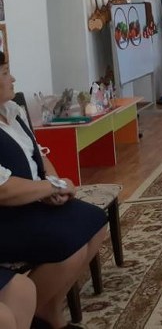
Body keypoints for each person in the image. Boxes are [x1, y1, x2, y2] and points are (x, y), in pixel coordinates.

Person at [0, 51, 107, 328]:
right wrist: (48, 187)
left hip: (34, 202)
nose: (13, 78)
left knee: (94, 222)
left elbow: (39, 154)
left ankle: (49, 309)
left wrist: (55, 183)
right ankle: (39, 315)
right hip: (8, 217)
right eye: (5, 73)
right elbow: (5, 190)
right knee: (67, 243)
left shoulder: (12, 110)